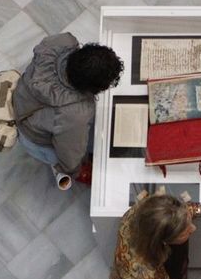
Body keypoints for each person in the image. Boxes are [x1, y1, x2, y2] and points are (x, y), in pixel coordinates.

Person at [11, 32, 121, 188]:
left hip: (22, 100)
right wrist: (74, 170)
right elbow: (70, 154)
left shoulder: (60, 42)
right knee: (76, 152)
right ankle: (56, 167)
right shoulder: (76, 112)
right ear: (92, 88)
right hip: (33, 137)